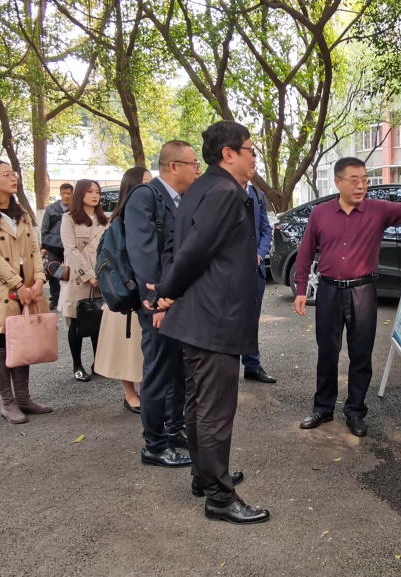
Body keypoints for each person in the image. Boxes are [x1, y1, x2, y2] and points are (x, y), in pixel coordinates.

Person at [294, 157, 401, 438]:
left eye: (365, 180)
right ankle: (323, 407)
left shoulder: (377, 210)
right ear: (338, 182)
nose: (361, 186)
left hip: (363, 292)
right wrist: (301, 290)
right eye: (354, 180)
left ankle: (355, 410)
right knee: (327, 352)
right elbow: (305, 252)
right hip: (328, 292)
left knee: (361, 354)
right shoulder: (320, 214)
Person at [152, 120, 268, 524]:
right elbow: (192, 252)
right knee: (214, 410)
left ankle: (205, 476)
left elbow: (180, 246)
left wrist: (170, 292)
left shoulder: (201, 188)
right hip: (215, 318)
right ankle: (219, 496)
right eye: (251, 149)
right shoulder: (223, 192)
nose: (255, 157)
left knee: (199, 403)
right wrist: (167, 291)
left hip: (200, 317)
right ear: (229, 153)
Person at [125, 141, 201, 469]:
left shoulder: (180, 200)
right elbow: (143, 256)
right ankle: (154, 445)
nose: (197, 170)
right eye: (193, 163)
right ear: (174, 166)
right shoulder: (145, 197)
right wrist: (158, 304)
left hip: (175, 302)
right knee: (157, 371)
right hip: (156, 304)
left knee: (177, 369)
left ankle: (173, 428)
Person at [0, 160, 52, 424]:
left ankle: (24, 398)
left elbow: (34, 250)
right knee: (1, 344)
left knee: (22, 342)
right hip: (2, 289)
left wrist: (38, 280)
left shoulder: (21, 212)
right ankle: (8, 403)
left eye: (13, 174)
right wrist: (18, 285)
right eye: (6, 175)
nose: (13, 178)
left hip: (28, 286)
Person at [93, 167, 153, 413]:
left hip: (145, 293)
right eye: (145, 182)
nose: (151, 187)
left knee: (143, 349)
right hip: (127, 293)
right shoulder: (119, 222)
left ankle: (146, 390)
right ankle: (129, 393)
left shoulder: (151, 214)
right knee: (126, 348)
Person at [58, 180, 109, 382]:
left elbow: (109, 248)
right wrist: (89, 275)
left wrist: (103, 275)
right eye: (90, 192)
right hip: (78, 278)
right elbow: (70, 250)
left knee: (99, 319)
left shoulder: (104, 220)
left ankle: (99, 363)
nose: (95, 195)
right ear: (81, 194)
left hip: (101, 275)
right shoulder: (69, 218)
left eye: (97, 192)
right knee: (76, 322)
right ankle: (77, 365)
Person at [241, 174, 276, 384]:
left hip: (256, 270)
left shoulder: (258, 195)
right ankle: (225, 369)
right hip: (230, 272)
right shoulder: (222, 192)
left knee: (251, 320)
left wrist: (260, 254)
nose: (251, 168)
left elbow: (266, 230)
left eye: (254, 165)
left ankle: (252, 365)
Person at [41, 182, 74, 309]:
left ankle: (69, 297)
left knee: (71, 272)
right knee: (54, 272)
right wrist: (43, 246)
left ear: (72, 194)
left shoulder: (76, 209)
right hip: (53, 246)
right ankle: (55, 299)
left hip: (70, 246)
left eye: (69, 193)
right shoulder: (51, 209)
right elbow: (45, 228)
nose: (66, 196)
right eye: (64, 193)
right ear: (60, 194)